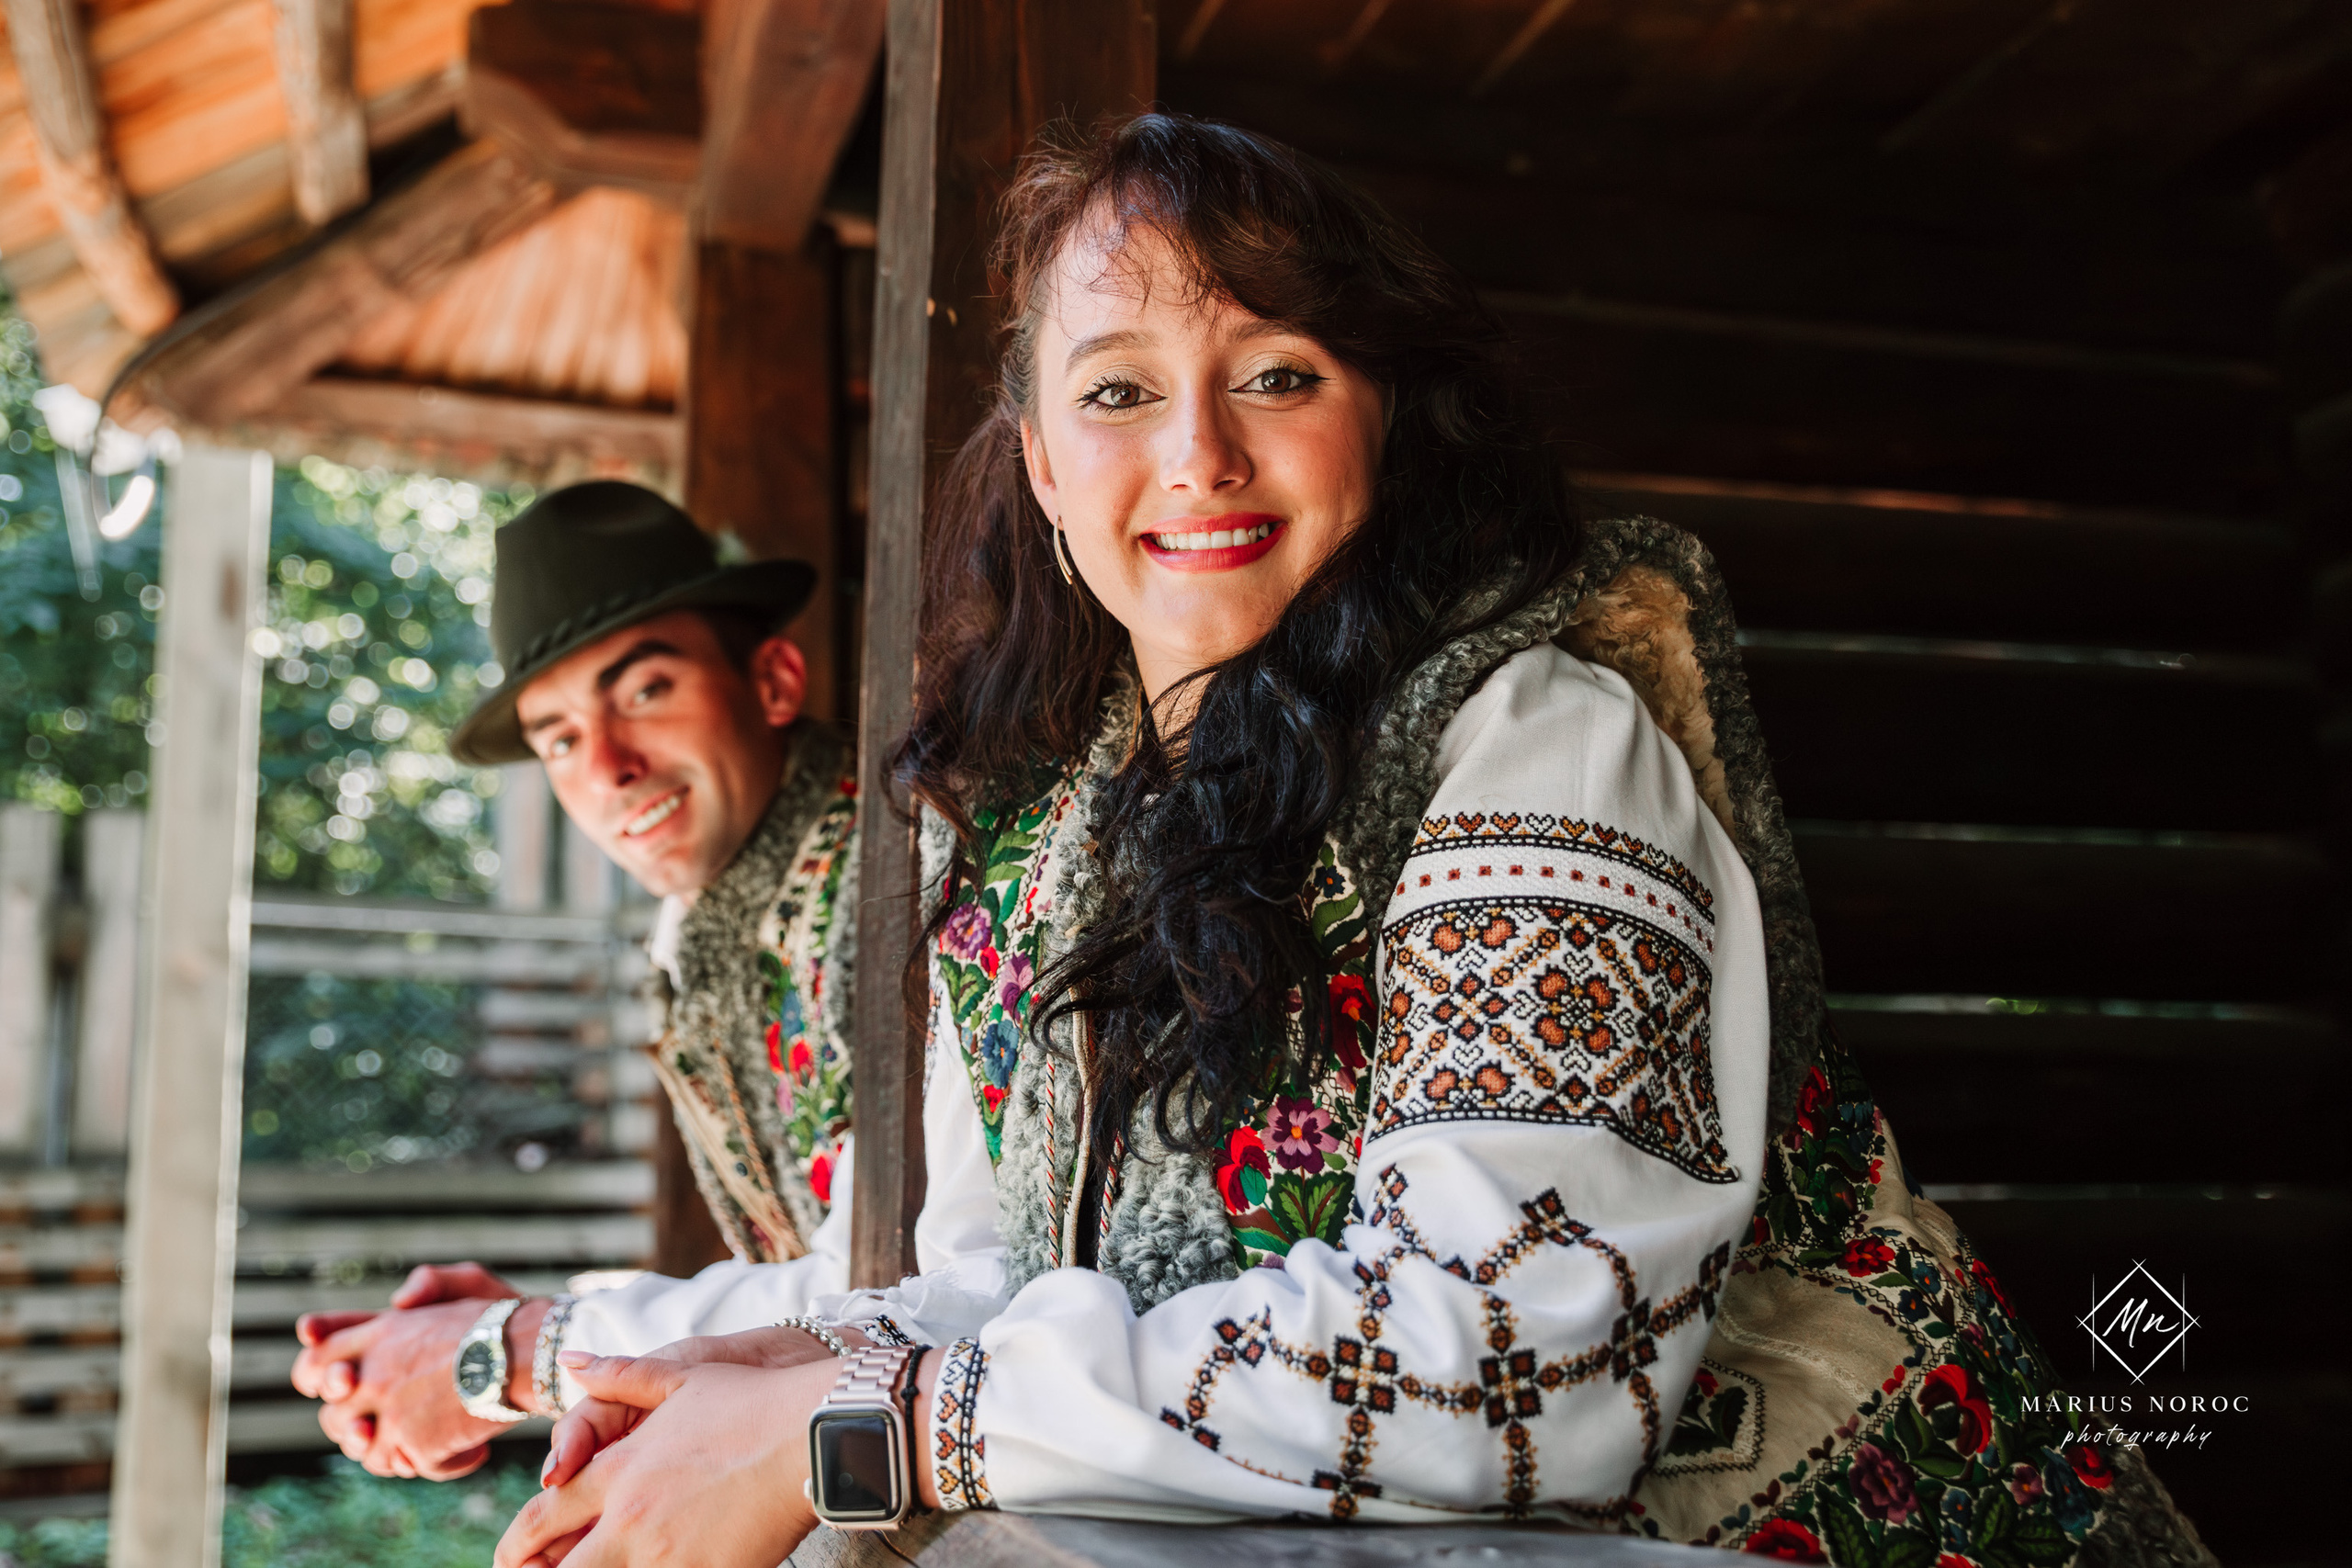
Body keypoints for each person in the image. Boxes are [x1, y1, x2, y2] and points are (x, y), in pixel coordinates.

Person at [496, 116, 2212, 1566]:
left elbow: (1521, 1366)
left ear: (1383, 419)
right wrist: (665, 1382)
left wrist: (849, 1435)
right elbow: (983, 1284)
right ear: (1033, 459)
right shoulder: (1034, 839)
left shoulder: (1531, 738)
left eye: (1279, 372)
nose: (1198, 456)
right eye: (1117, 390)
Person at [287, 481, 865, 1479]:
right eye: (558, 737)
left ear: (772, 680)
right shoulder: (704, 932)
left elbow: (895, 1296)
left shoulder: (886, 883)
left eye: (645, 691)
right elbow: (802, 1281)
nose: (608, 765)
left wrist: (518, 1349)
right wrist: (535, 1329)